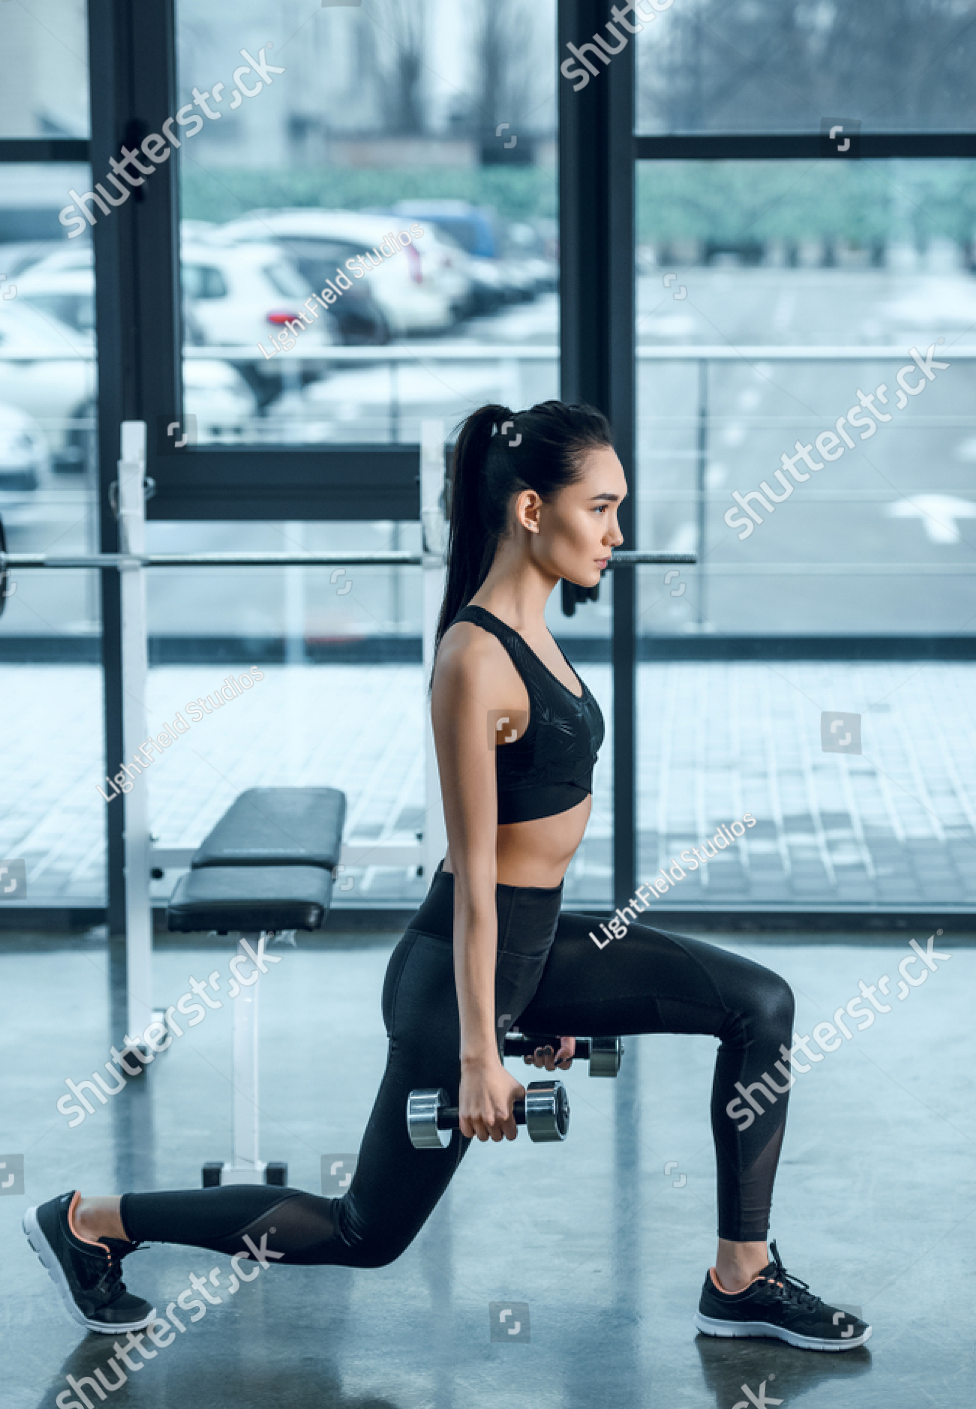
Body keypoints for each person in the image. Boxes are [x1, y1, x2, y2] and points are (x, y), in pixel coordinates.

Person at [25, 399, 870, 1353]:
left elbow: (521, 874)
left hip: (531, 952)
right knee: (362, 1232)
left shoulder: (537, 629)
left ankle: (741, 1277)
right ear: (530, 510)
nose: (616, 533)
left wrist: (543, 1004)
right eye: (599, 507)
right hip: (456, 976)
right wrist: (482, 1052)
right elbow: (474, 882)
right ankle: (93, 1221)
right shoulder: (473, 659)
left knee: (759, 1003)